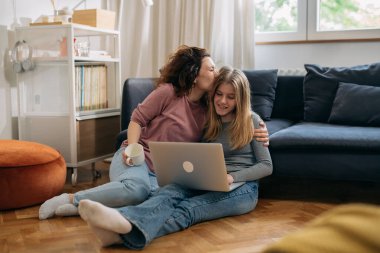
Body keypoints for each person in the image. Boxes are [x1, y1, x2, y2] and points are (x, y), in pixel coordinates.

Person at [39, 46, 269, 220]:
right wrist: (131, 147)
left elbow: (238, 107)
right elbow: (136, 120)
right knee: (137, 189)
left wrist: (260, 129)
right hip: (136, 158)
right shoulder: (168, 93)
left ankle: (84, 210)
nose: (216, 72)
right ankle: (71, 198)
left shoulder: (210, 110)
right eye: (211, 68)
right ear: (195, 74)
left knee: (158, 201)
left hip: (163, 173)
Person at [77, 66, 273, 249]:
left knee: (189, 208)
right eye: (219, 94)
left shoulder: (253, 121)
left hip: (243, 189)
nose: (223, 101)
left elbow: (266, 165)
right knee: (170, 192)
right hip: (211, 179)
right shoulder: (210, 120)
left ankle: (123, 228)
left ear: (241, 98)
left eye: (230, 97)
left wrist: (233, 177)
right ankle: (117, 227)